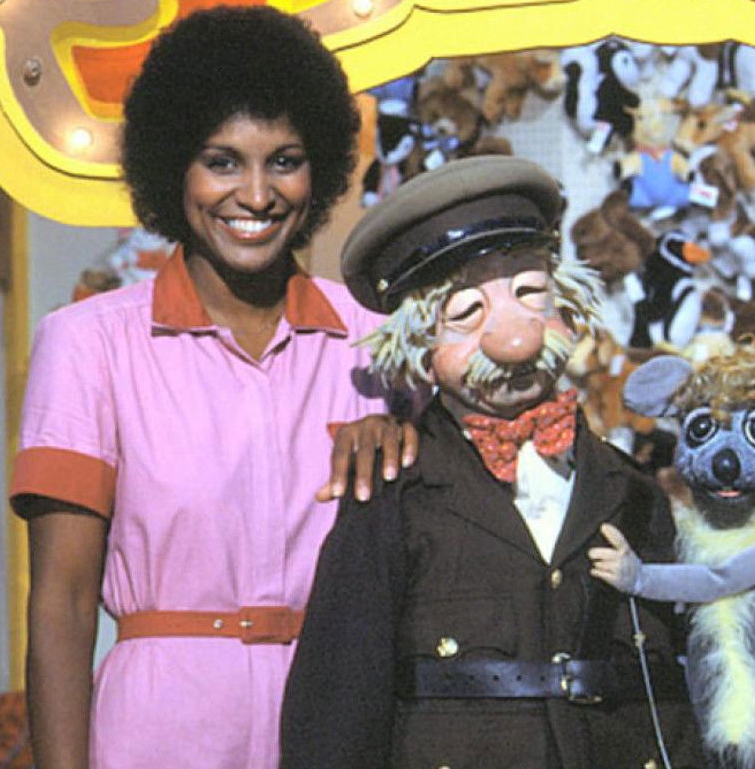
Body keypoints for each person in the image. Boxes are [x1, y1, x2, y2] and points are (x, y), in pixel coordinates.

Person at [11, 5, 389, 769]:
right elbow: (62, 605)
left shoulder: (379, 342)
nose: (256, 193)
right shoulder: (87, 344)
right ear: (172, 168)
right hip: (159, 733)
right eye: (222, 162)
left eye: (283, 161)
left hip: (341, 724)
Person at [281, 155, 703, 769]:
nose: (515, 340)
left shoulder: (634, 493)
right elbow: (336, 715)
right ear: (420, 343)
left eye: (531, 293)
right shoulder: (394, 497)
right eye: (465, 314)